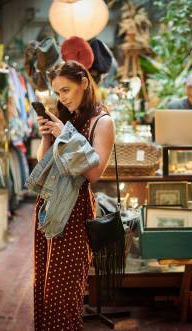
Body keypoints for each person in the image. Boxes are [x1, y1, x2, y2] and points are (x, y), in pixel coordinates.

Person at [33, 61, 115, 330]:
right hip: (48, 204)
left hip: (74, 209)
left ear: (84, 83)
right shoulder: (65, 117)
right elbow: (43, 166)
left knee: (64, 293)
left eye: (66, 89)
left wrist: (64, 135)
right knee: (44, 288)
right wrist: (47, 136)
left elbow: (94, 174)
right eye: (57, 92)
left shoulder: (102, 122)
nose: (62, 97)